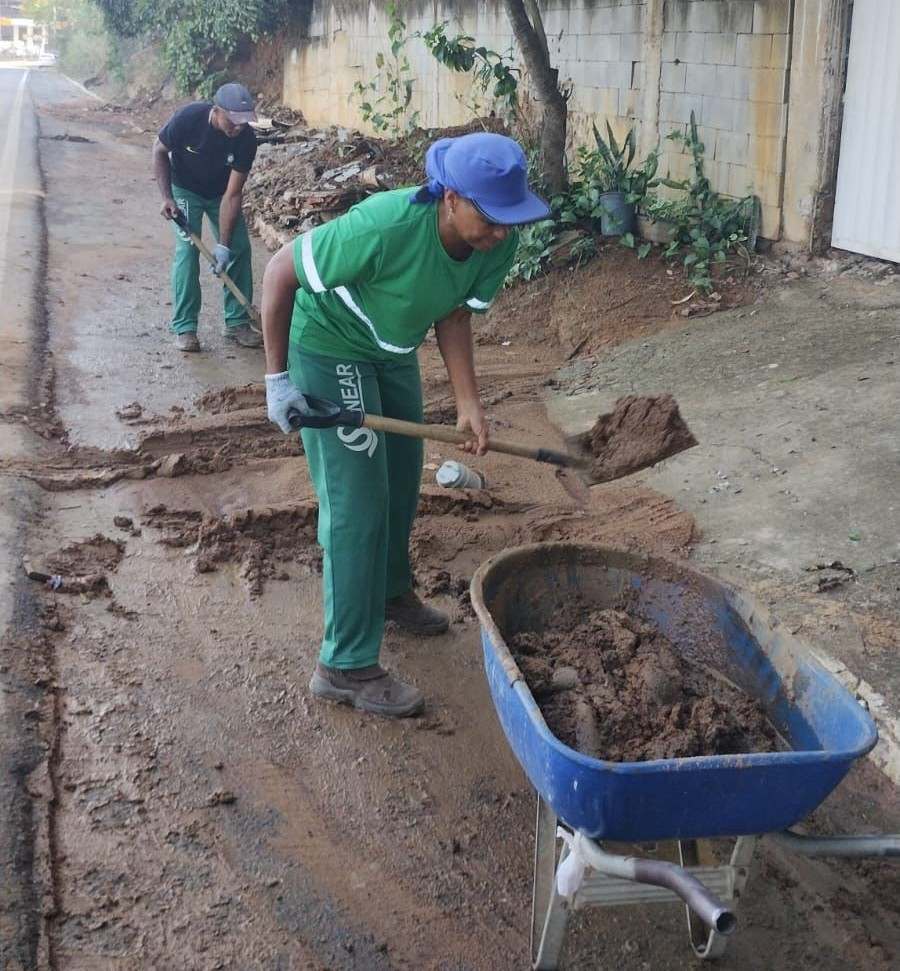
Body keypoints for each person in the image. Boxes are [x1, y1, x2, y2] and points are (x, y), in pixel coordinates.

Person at [261, 132, 550, 718]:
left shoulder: (495, 243)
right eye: (492, 218)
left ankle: (389, 593)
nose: (502, 233)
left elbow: (454, 312)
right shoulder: (384, 226)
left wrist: (469, 403)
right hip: (330, 344)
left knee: (399, 479)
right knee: (357, 501)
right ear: (450, 198)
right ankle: (343, 665)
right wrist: (278, 380)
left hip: (391, 351)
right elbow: (278, 271)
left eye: (510, 219)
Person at [153, 82, 262, 352]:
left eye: (243, 122)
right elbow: (159, 150)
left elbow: (233, 194)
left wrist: (223, 245)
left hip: (221, 194)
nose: (238, 128)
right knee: (188, 251)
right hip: (185, 189)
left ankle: (237, 322)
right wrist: (167, 197)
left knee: (238, 248)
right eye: (233, 121)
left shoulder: (246, 140)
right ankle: (185, 327)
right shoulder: (188, 119)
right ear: (216, 110)